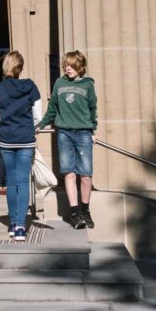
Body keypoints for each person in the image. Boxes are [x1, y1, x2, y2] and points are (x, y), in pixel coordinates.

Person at [38, 50, 99, 229]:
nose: (68, 68)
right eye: (66, 65)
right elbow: (52, 109)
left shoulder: (88, 85)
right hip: (64, 132)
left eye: (71, 66)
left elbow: (92, 109)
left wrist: (93, 130)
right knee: (69, 173)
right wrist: (40, 125)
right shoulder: (59, 83)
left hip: (83, 133)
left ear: (80, 67)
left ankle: (85, 211)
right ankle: (74, 214)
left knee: (86, 175)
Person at [0, 51, 41, 242]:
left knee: (11, 181)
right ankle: (20, 226)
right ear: (20, 67)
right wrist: (31, 128)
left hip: (7, 139)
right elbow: (38, 117)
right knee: (23, 181)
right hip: (26, 139)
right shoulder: (31, 87)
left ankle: (12, 222)